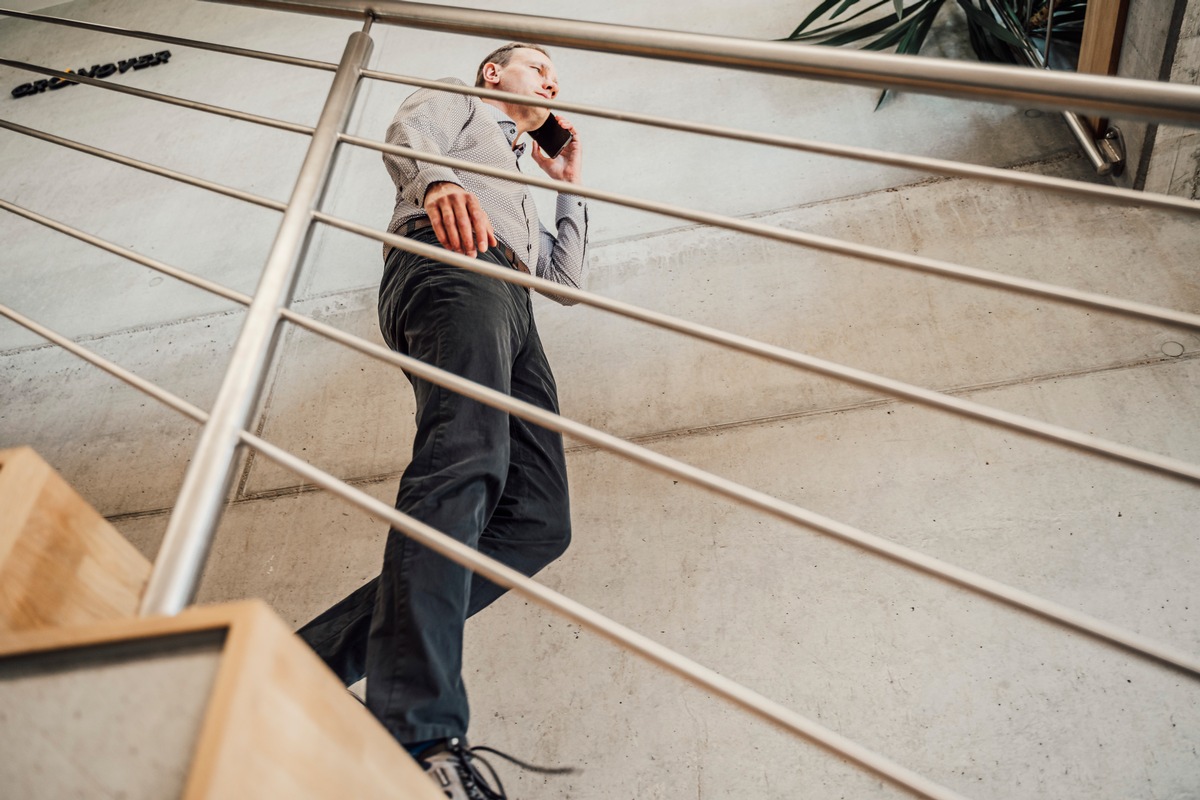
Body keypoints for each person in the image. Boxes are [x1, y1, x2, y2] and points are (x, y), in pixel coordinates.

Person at [297, 42, 588, 799]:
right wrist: (437, 183)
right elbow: (406, 135)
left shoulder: (521, 166)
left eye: (556, 77)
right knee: (466, 456)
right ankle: (419, 730)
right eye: (538, 68)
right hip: (449, 260)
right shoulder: (459, 104)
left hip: (513, 302)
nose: (553, 82)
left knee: (536, 522)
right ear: (494, 74)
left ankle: (305, 663)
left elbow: (565, 283)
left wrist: (567, 186)